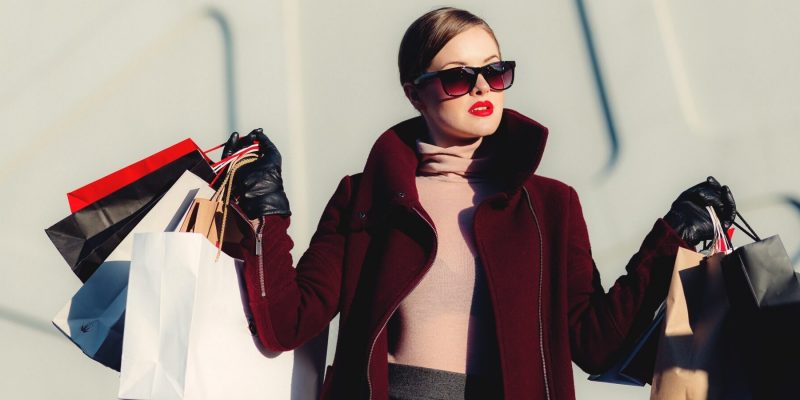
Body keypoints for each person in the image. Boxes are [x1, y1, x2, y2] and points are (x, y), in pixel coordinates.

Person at [221, 7, 736, 400]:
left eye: (495, 71)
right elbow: (287, 322)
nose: (482, 88)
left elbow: (594, 344)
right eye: (457, 78)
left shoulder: (550, 205)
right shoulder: (366, 196)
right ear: (414, 93)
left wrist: (670, 239)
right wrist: (267, 212)